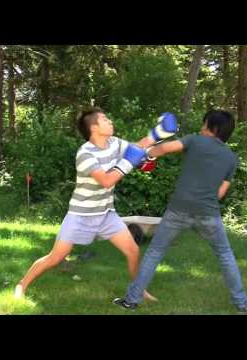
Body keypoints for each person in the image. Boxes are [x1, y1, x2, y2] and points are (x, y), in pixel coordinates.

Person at [14, 107, 178, 301]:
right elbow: (107, 181)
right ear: (94, 127)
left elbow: (138, 147)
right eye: (105, 119)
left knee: (133, 250)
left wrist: (159, 133)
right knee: (56, 257)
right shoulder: (85, 154)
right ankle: (21, 285)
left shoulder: (114, 143)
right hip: (80, 214)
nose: (110, 122)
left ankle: (138, 290)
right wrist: (127, 163)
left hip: (106, 213)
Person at [113, 110, 247, 312]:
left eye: (204, 125)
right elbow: (221, 192)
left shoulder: (195, 140)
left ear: (213, 128)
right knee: (224, 254)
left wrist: (145, 154)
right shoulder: (231, 158)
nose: (201, 128)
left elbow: (164, 149)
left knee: (155, 252)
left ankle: (132, 300)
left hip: (179, 209)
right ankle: (241, 303)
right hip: (208, 212)